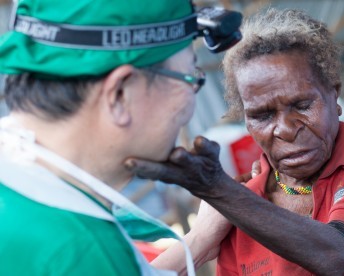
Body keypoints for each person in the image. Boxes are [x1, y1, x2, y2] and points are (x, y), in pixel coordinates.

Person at [129, 8, 344, 275]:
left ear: (334, 96)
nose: (286, 130)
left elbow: (336, 254)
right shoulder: (239, 208)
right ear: (246, 120)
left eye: (302, 106)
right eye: (262, 115)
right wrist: (200, 240)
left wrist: (216, 189)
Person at [0, 0, 239, 274]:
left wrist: (198, 241)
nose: (190, 104)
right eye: (189, 77)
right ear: (120, 95)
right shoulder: (84, 252)